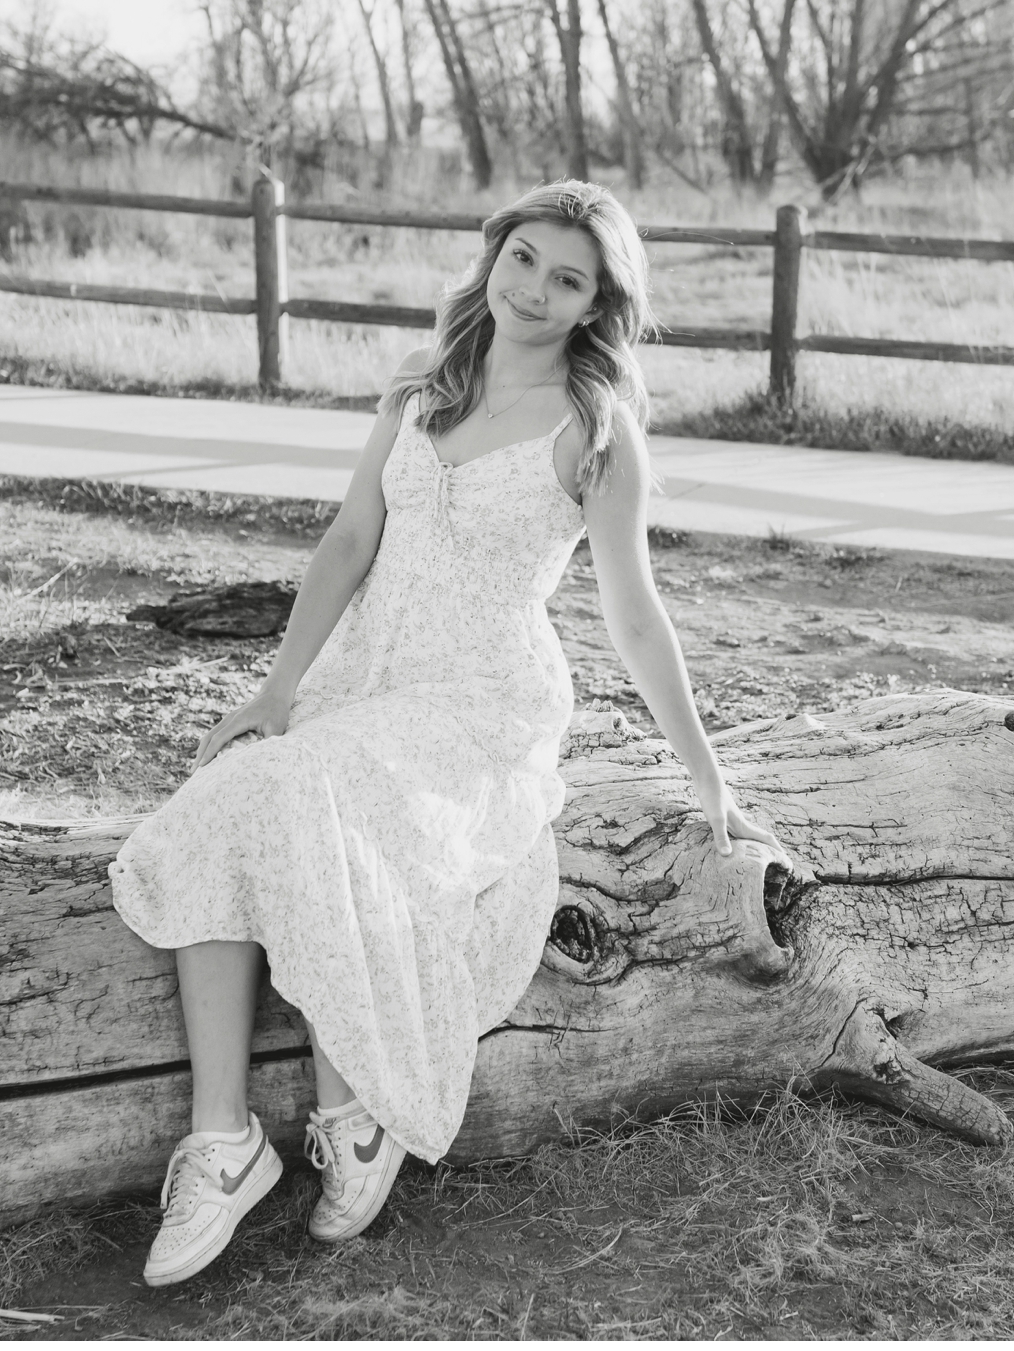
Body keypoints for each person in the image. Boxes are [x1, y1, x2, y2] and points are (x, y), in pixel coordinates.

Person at [107, 179, 782, 1288]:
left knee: (314, 793)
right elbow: (346, 543)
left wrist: (711, 786)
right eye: (523, 258)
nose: (534, 288)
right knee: (226, 797)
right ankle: (222, 1142)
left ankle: (355, 1113)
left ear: (594, 302)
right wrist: (276, 691)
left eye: (567, 278)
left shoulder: (597, 433)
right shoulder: (422, 391)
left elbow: (636, 614)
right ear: (494, 254)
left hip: (479, 700)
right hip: (363, 672)